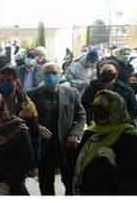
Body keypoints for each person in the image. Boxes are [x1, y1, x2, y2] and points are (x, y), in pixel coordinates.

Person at [73, 90, 137, 195]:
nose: (96, 112)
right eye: (95, 107)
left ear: (115, 110)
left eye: (102, 108)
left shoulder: (129, 139)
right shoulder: (90, 133)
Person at [28, 63, 86, 195]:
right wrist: (36, 127)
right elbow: (24, 120)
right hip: (44, 148)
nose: (51, 76)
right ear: (43, 75)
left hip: (66, 146)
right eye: (47, 73)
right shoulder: (32, 95)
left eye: (54, 73)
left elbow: (81, 115)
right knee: (46, 184)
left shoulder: (72, 93)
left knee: (70, 182)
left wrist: (75, 134)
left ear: (60, 75)